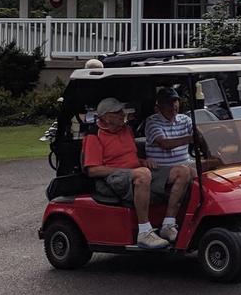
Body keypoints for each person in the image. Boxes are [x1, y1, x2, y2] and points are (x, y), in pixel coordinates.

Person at [82, 97, 169, 249]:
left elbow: (130, 157)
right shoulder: (94, 136)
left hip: (134, 173)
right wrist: (132, 171)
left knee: (183, 172)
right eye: (118, 112)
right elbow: (93, 170)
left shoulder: (126, 130)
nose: (123, 114)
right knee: (143, 175)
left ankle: (169, 223)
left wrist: (143, 162)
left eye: (122, 111)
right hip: (112, 178)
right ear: (106, 117)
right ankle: (144, 231)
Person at [143, 87, 199, 241]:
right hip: (161, 169)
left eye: (175, 101)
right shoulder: (152, 122)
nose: (174, 106)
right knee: (187, 172)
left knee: (215, 164)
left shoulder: (185, 119)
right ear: (159, 106)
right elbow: (164, 143)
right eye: (169, 103)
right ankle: (168, 224)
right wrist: (189, 139)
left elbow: (198, 134)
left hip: (185, 162)